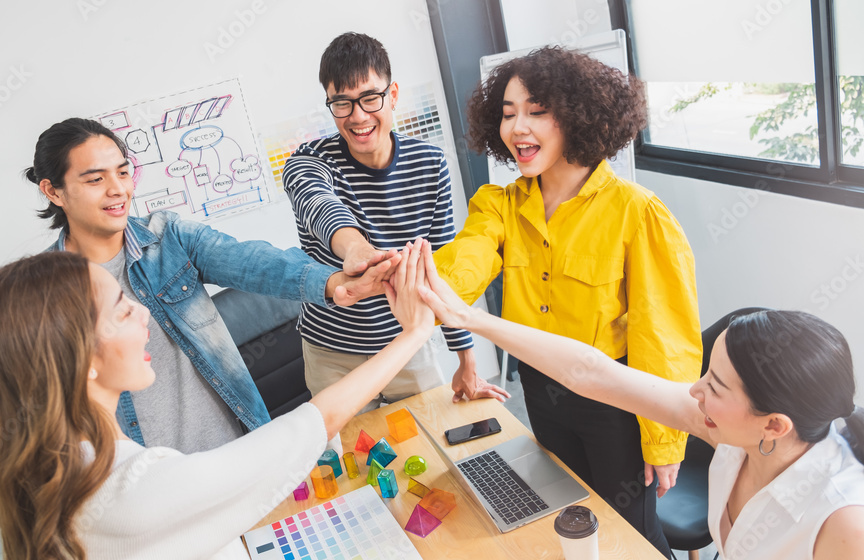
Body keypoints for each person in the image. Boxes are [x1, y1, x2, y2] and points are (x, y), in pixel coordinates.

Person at [0, 241, 437, 559]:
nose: (144, 313)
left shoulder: (66, 462)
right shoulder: (128, 490)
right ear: (78, 357)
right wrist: (413, 332)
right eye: (121, 307)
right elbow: (306, 427)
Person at [406, 241, 864, 559]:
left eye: (715, 386)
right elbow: (592, 372)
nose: (695, 390)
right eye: (706, 373)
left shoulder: (844, 522)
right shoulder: (737, 430)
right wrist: (467, 316)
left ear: (775, 425)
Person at [432, 46, 701, 555]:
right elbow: (463, 265)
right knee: (572, 519)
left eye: (536, 111)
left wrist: (664, 441)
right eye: (508, 114)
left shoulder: (636, 212)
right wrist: (419, 280)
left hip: (615, 403)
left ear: (576, 116)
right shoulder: (500, 205)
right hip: (541, 391)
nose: (518, 128)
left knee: (634, 535)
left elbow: (664, 338)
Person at [27, 117, 398, 454]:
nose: (117, 190)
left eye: (123, 173)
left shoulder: (166, 237)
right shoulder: (45, 293)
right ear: (54, 191)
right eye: (95, 179)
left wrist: (334, 283)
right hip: (150, 482)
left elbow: (253, 261)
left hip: (236, 452)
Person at [283, 32, 508, 411]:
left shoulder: (430, 164)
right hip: (331, 353)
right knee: (350, 463)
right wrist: (356, 249)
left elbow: (442, 272)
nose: (358, 116)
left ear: (393, 95)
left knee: (434, 449)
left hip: (406, 343)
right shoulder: (309, 162)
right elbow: (318, 204)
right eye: (342, 103)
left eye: (370, 98)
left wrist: (467, 360)